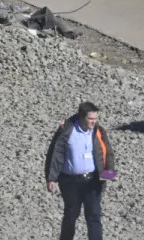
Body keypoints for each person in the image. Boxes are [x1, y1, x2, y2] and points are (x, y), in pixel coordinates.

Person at [46, 102, 116, 240]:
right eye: (90, 119)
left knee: (94, 215)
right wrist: (51, 178)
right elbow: (55, 154)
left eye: (95, 118)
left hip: (93, 180)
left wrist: (110, 173)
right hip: (70, 182)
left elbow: (107, 153)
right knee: (71, 216)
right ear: (81, 117)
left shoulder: (98, 131)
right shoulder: (66, 130)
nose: (93, 121)